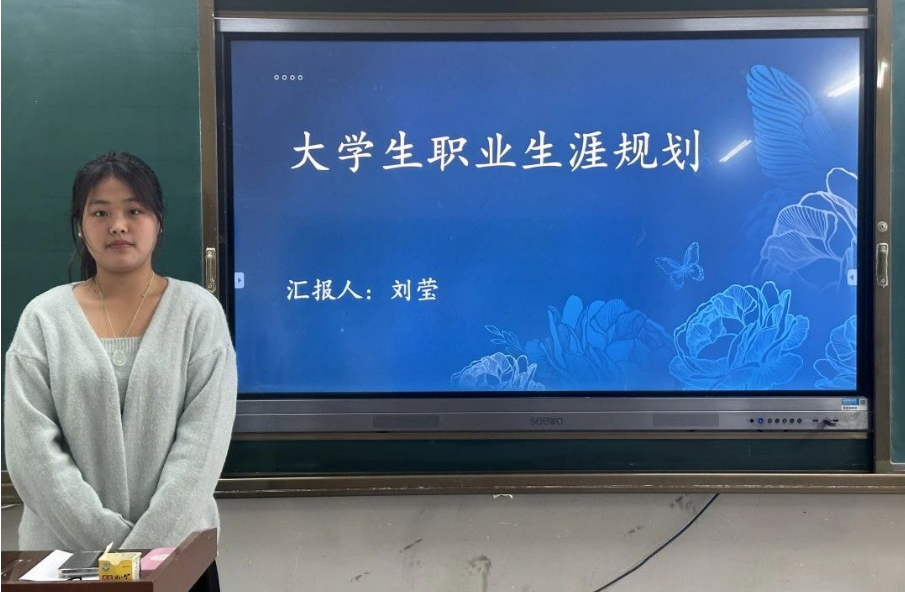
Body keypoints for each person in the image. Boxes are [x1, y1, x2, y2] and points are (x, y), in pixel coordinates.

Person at [4, 151, 236, 591]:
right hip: (64, 562)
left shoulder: (197, 314)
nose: (117, 225)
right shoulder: (44, 318)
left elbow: (202, 448)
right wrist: (118, 555)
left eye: (134, 210)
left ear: (158, 221)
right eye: (100, 212)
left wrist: (144, 554)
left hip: (178, 561)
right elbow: (30, 452)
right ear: (80, 224)